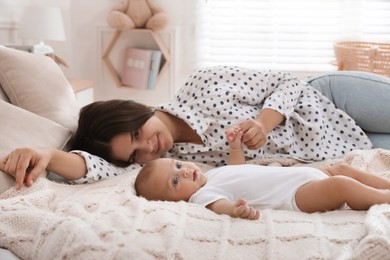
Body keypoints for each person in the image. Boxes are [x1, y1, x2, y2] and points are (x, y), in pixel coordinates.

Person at [0, 66, 374, 189]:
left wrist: (264, 121)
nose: (147, 150)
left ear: (137, 110)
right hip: (354, 150)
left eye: (136, 135)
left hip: (331, 104)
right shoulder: (169, 163)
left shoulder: (204, 83)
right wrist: (48, 154)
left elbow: (291, 84)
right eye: (134, 154)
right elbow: (93, 168)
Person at [134, 127, 390, 220]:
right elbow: (220, 206)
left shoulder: (213, 176)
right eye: (175, 181)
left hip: (301, 176)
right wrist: (235, 210)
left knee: (341, 168)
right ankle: (382, 197)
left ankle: (385, 184)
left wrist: (236, 147)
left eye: (178, 165)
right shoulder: (202, 196)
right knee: (341, 184)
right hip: (296, 195)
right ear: (175, 200)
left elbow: (238, 169)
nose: (186, 171)